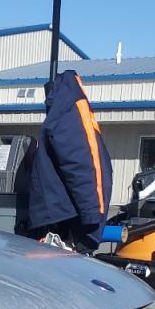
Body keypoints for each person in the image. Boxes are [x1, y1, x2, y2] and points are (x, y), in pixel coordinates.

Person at [22, 70, 112, 250]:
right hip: (64, 220)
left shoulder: (69, 110)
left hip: (64, 219)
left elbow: (81, 163)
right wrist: (92, 215)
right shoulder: (72, 110)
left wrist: (91, 214)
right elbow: (82, 164)